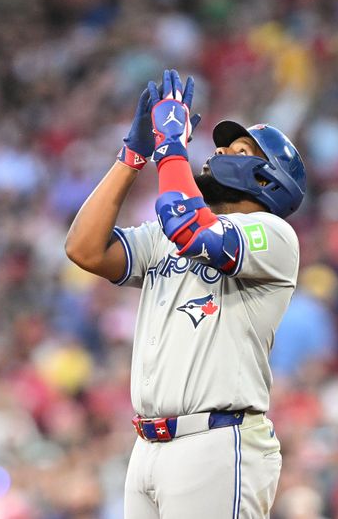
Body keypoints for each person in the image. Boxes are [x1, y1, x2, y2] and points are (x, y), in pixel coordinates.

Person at [65, 69, 306, 519]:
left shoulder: (275, 236)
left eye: (238, 150)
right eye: (220, 145)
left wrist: (171, 148)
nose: (217, 152)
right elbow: (85, 248)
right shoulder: (165, 235)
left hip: (217, 440)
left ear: (269, 177)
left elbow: (190, 226)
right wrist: (132, 156)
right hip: (148, 449)